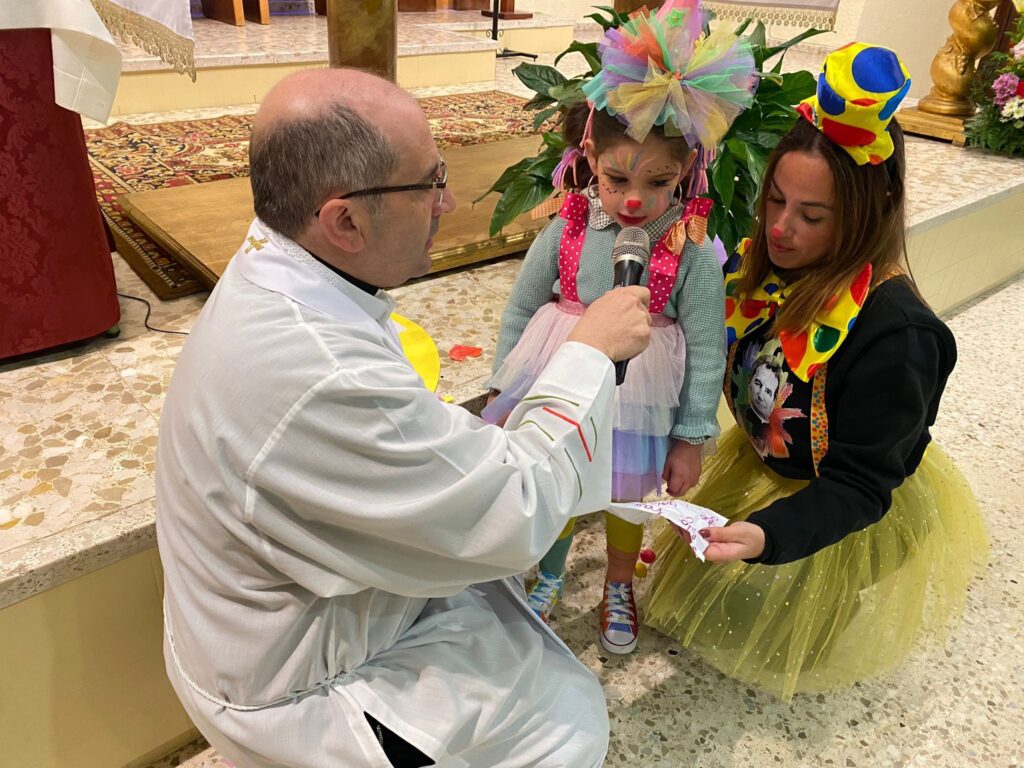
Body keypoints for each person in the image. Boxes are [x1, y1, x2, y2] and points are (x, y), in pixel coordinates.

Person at [155, 67, 655, 768]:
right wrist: (588, 352)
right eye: (430, 183)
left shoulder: (277, 263)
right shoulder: (326, 375)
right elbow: (521, 511)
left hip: (278, 621)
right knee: (566, 721)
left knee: (510, 631)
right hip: (298, 688)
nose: (447, 201)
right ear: (344, 221)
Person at [643, 43, 990, 698]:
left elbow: (859, 485)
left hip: (843, 492)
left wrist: (767, 534)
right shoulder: (769, 265)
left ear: (867, 212)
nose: (780, 229)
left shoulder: (897, 337)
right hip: (772, 461)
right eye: (775, 201)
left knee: (798, 624)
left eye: (812, 216)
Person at [483, 0, 757, 655]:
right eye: (616, 178)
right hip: (560, 374)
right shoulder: (569, 227)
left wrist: (691, 436)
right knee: (555, 476)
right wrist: (502, 385)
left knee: (626, 496)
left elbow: (704, 348)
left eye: (658, 181)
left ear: (687, 170)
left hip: (642, 395)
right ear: (588, 155)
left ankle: (617, 583)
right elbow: (521, 308)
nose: (634, 198)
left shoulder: (689, 248)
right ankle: (548, 573)